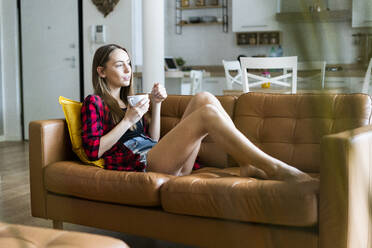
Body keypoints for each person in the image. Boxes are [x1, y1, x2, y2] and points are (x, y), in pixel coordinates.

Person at [81, 44, 313, 182]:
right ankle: (275, 167)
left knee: (204, 98)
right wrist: (128, 120)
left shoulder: (128, 101)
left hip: (162, 158)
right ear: (101, 71)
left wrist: (157, 104)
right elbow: (93, 151)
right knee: (206, 114)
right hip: (143, 165)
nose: (128, 69)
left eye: (129, 63)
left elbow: (151, 141)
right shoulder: (95, 103)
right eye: (119, 64)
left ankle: (247, 163)